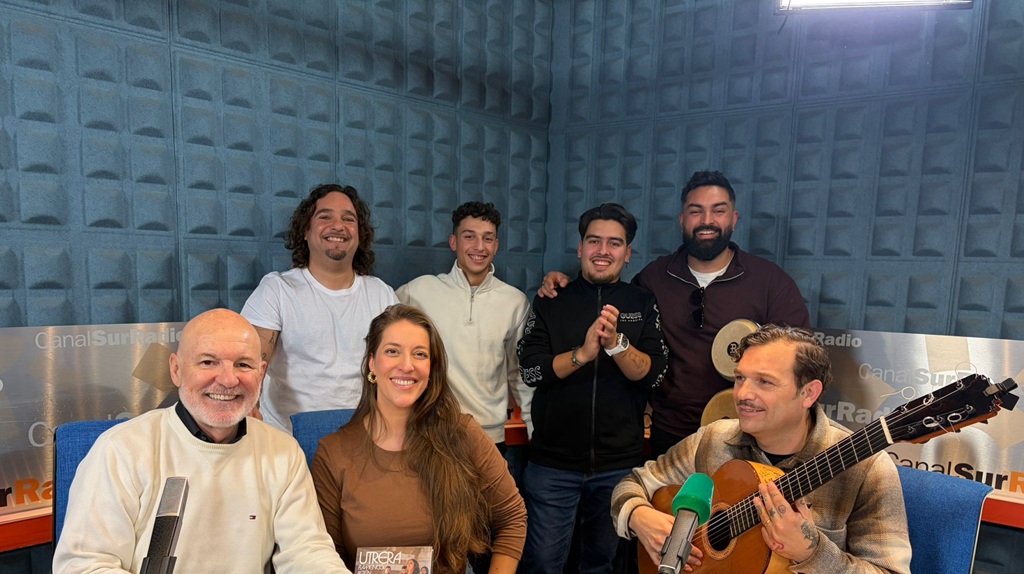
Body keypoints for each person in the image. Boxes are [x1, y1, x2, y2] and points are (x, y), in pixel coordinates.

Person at [52, 309, 348, 574]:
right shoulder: (121, 450)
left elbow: (306, 551)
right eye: (208, 362)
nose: (228, 380)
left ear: (262, 373)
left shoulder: (283, 451)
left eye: (243, 365)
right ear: (176, 370)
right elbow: (84, 565)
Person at [540, 170, 810, 457]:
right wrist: (566, 284)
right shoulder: (654, 278)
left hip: (745, 439)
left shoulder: (770, 282)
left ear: (734, 218)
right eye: (696, 211)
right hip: (669, 436)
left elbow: (801, 361)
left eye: (718, 211)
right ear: (682, 219)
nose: (707, 220)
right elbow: (607, 303)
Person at [611, 325, 911, 573]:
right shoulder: (714, 438)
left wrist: (812, 552)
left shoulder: (867, 468)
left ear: (808, 393)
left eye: (764, 382)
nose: (743, 394)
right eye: (740, 378)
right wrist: (639, 516)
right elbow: (633, 483)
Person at [311, 304, 527, 574]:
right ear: (372, 363)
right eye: (392, 351)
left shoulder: (463, 435)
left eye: (420, 354)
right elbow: (326, 554)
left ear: (431, 368)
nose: (407, 365)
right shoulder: (334, 452)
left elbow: (512, 518)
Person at [517, 203, 667, 574]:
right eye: (594, 241)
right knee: (542, 564)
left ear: (627, 253)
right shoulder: (552, 299)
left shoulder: (642, 302)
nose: (603, 250)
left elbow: (654, 375)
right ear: (580, 247)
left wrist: (616, 344)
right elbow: (531, 370)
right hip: (552, 466)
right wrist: (582, 355)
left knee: (601, 566)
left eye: (614, 243)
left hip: (618, 468)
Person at [242, 184, 398, 432]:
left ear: (359, 234)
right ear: (306, 231)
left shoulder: (382, 294)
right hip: (290, 439)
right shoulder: (277, 290)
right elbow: (251, 355)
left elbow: (400, 361)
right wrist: (247, 398)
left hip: (364, 436)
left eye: (348, 219)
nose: (338, 226)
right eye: (325, 217)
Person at [397, 201, 533, 451]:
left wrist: (533, 426)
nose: (479, 246)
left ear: (496, 246)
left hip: (490, 438)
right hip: (432, 433)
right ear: (454, 242)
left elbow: (518, 372)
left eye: (487, 238)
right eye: (469, 236)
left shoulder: (514, 301)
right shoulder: (417, 292)